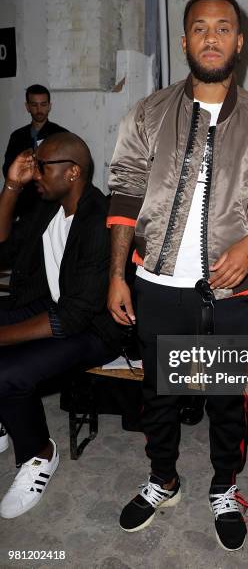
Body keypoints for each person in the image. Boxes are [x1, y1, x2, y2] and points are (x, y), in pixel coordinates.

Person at [107, 0, 248, 551]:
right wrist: (118, 274)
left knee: (225, 399)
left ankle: (224, 486)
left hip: (232, 290)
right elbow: (123, 194)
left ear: (239, 43)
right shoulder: (147, 114)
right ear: (184, 39)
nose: (211, 37)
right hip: (157, 283)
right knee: (159, 395)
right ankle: (162, 480)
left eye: (223, 28)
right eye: (200, 27)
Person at [0, 133, 121, 520]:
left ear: (72, 172)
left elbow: (72, 317)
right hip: (54, 303)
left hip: (95, 329)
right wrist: (12, 186)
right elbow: (3, 246)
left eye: (41, 167)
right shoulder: (46, 207)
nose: (34, 173)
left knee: (9, 374)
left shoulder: (98, 219)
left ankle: (39, 454)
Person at [3, 84, 68, 218]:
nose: (39, 109)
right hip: (23, 201)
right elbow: (8, 169)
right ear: (27, 107)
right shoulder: (17, 136)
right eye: (34, 105)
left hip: (50, 203)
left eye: (43, 104)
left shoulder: (60, 135)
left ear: (49, 106)